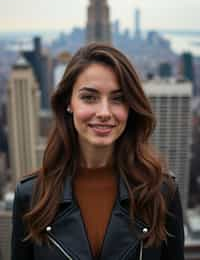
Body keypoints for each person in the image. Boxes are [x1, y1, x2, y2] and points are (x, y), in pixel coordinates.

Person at [11, 43, 185, 260]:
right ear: (69, 103)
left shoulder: (162, 192)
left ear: (131, 106)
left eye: (118, 98)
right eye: (89, 97)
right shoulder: (31, 196)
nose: (104, 112)